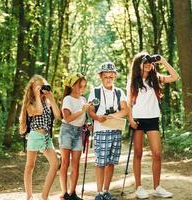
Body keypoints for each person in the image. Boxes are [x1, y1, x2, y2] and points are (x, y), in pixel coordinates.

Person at [127, 52, 180, 199]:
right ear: (139, 65)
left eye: (150, 62)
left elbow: (175, 77)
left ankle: (157, 187)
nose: (148, 64)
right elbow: (128, 101)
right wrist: (130, 119)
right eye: (145, 62)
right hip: (137, 120)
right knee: (138, 153)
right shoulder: (133, 81)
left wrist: (162, 61)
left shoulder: (156, 79)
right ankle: (138, 187)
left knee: (157, 154)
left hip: (152, 119)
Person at [88, 62, 128, 200]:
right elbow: (91, 111)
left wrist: (111, 116)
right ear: (101, 76)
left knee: (111, 162)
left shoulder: (119, 92)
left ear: (114, 76)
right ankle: (98, 193)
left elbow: (125, 110)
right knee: (100, 162)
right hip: (100, 130)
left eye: (111, 76)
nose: (109, 79)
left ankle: (106, 191)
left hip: (115, 129)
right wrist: (98, 118)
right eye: (106, 76)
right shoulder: (95, 91)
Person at [19, 74, 60, 200]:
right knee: (30, 166)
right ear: (31, 88)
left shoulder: (47, 102)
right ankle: (29, 195)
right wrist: (37, 96)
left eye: (41, 87)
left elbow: (58, 115)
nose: (40, 89)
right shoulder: (29, 103)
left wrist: (51, 99)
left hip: (46, 137)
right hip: (35, 136)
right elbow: (39, 111)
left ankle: (44, 195)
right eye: (37, 87)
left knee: (55, 164)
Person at [59, 73, 91, 200]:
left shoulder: (83, 100)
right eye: (79, 86)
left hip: (79, 132)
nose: (82, 89)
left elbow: (82, 118)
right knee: (65, 162)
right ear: (72, 86)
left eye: (84, 86)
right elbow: (67, 119)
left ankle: (72, 193)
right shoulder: (67, 99)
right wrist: (82, 111)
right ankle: (64, 193)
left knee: (76, 164)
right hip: (67, 131)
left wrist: (87, 124)